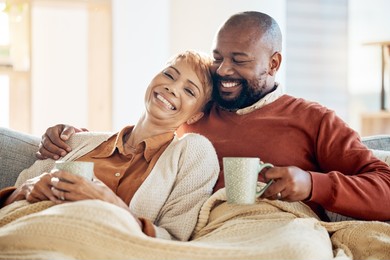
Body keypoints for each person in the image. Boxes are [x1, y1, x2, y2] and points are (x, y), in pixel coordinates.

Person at [11, 12, 390, 221]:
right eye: (218, 57)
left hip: (271, 227)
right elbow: (138, 140)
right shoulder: (196, 110)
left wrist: (311, 184)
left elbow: (384, 186)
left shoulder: (312, 119)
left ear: (274, 63)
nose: (223, 70)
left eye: (239, 60)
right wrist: (71, 139)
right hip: (193, 232)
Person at [0, 50, 220, 241]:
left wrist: (110, 204)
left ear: (195, 116)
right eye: (169, 75)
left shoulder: (192, 153)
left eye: (190, 91)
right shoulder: (76, 140)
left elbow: (173, 240)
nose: (172, 88)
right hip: (20, 228)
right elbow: (7, 204)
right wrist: (25, 190)